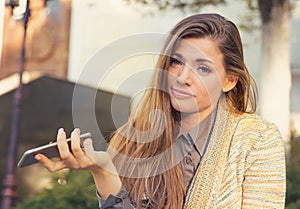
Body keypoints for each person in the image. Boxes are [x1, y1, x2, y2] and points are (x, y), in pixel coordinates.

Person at [35, 13, 286, 208]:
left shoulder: (258, 139)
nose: (183, 78)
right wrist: (103, 171)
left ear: (229, 81)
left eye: (203, 68)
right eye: (176, 62)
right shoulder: (133, 138)